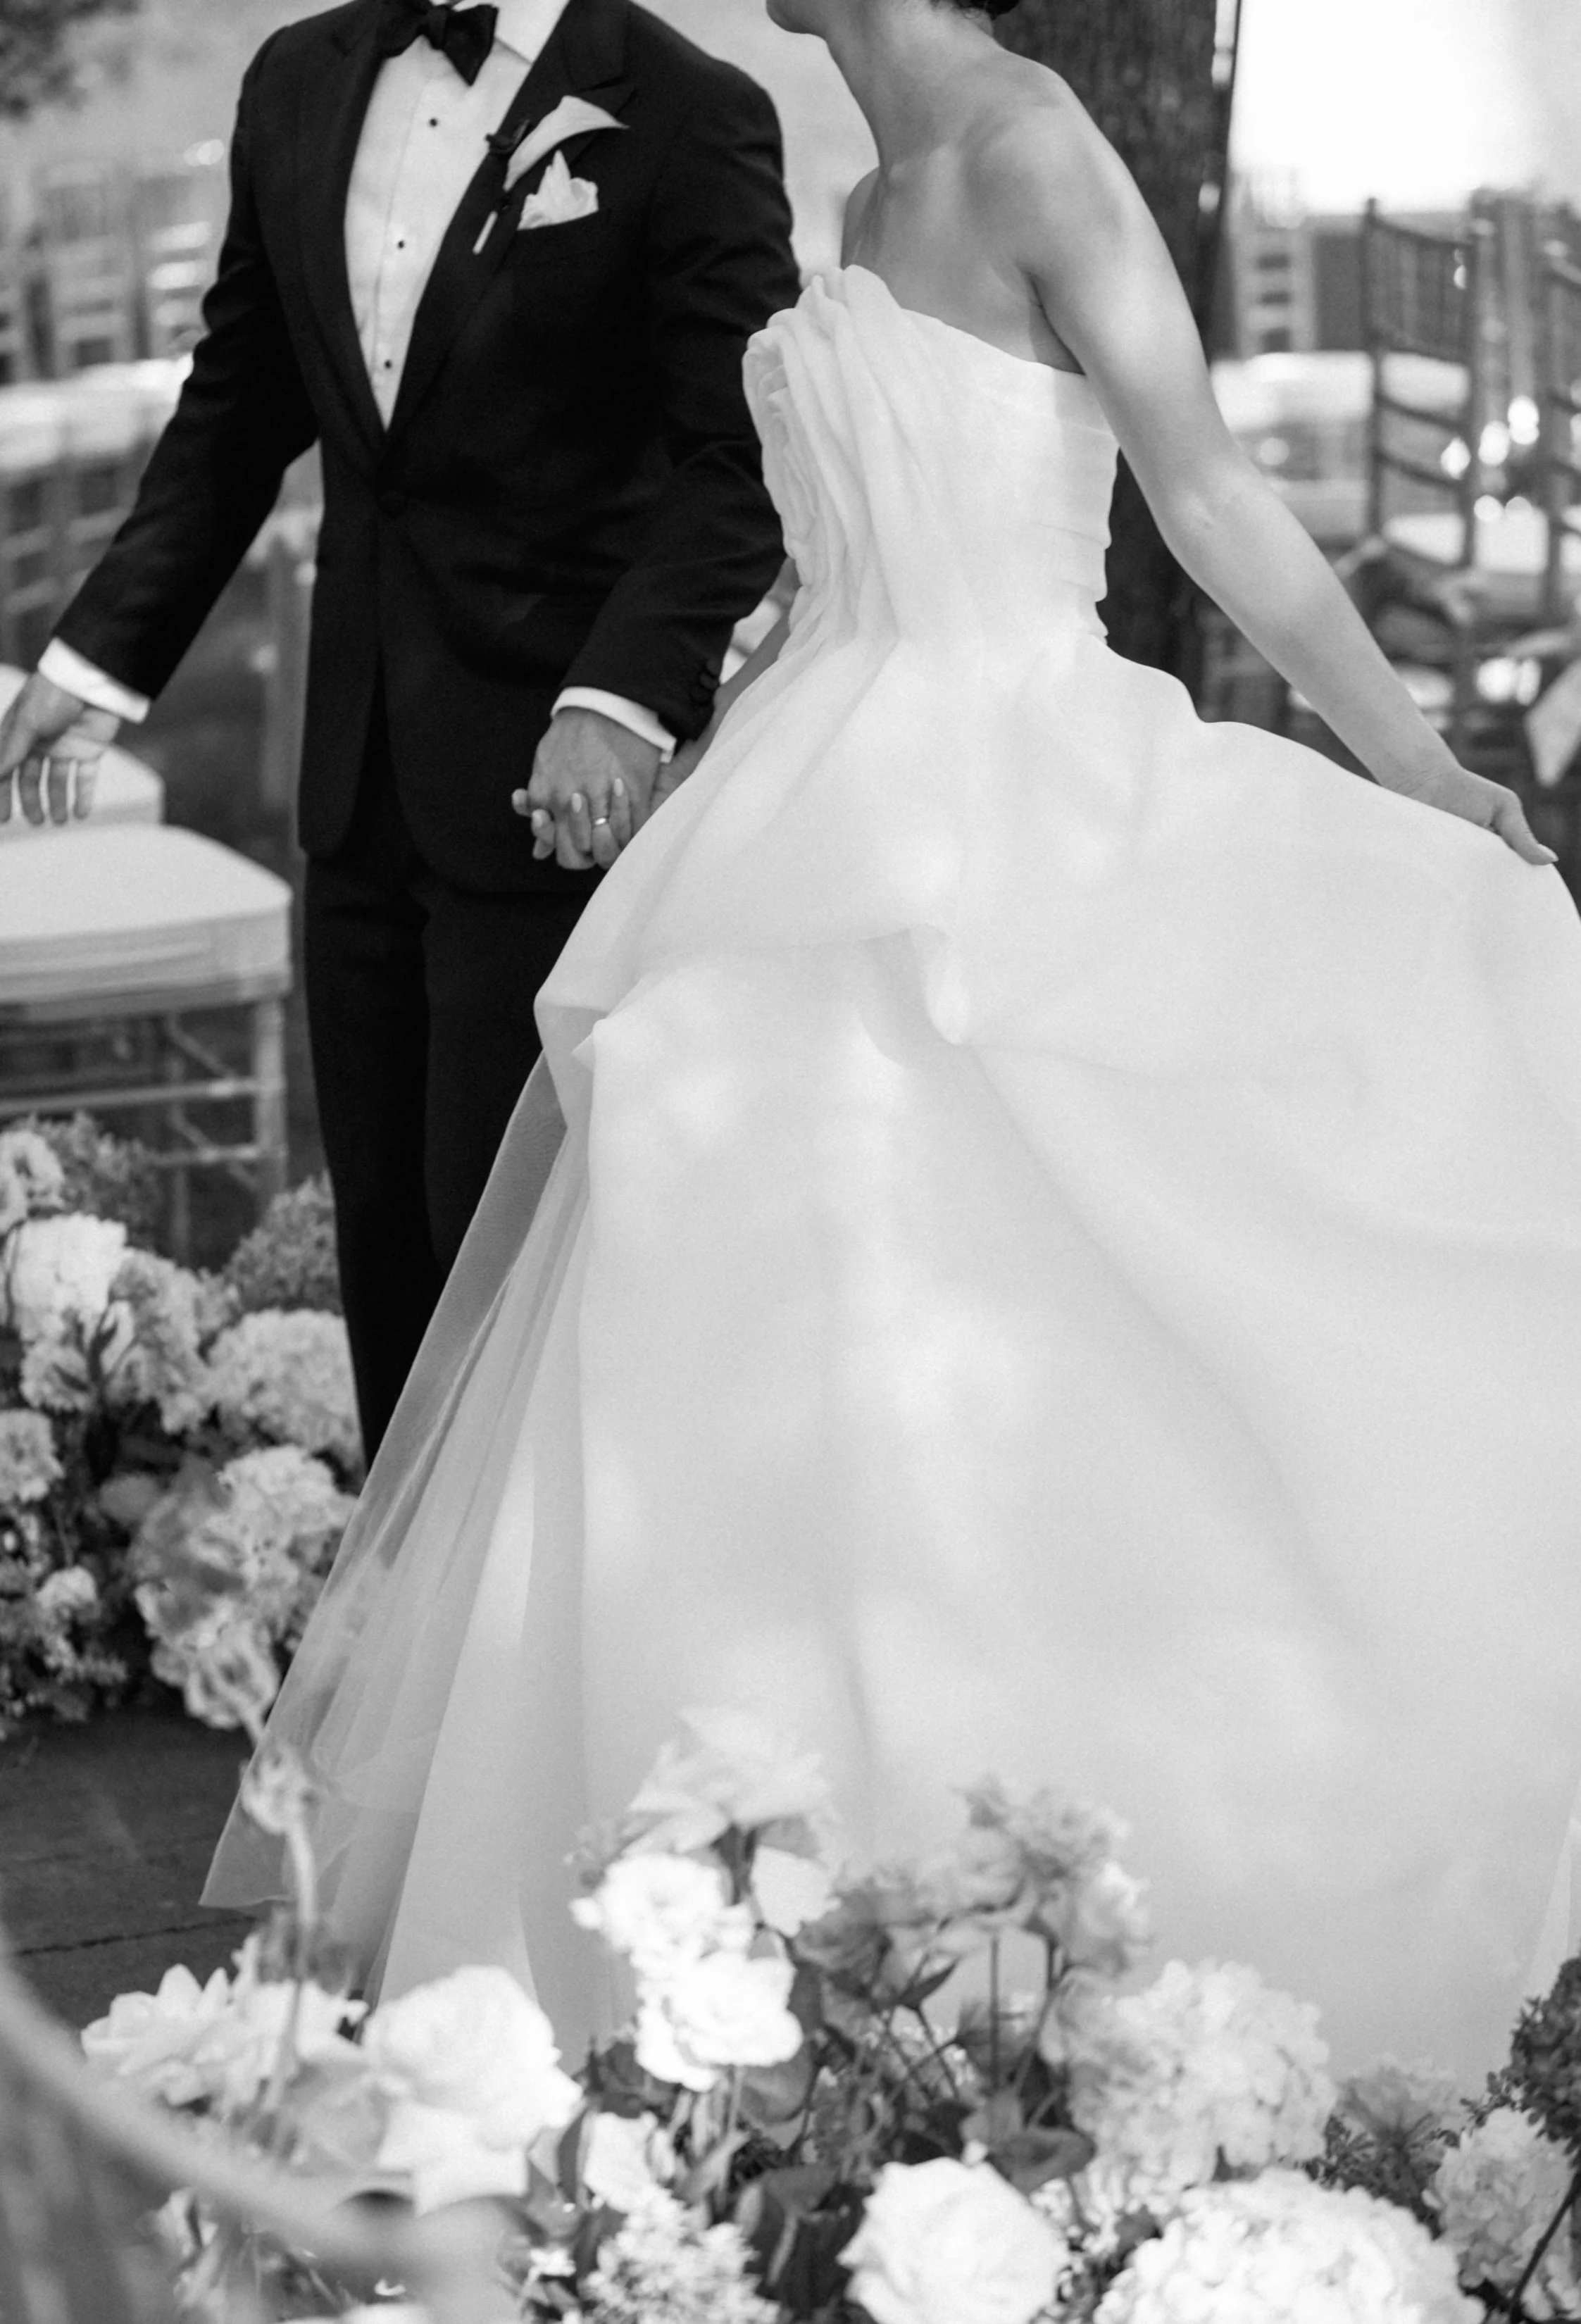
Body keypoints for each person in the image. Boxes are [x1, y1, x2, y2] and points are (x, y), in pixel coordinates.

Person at [209, 0, 1581, 2079]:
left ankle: (1107, 1885)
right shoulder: (847, 184)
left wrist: (1403, 751)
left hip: (1005, 799)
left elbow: (1198, 493)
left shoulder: (1034, 151)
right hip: (812, 790)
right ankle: (799, 1925)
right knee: (763, 1331)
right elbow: (834, 542)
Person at [0, 0, 799, 1458]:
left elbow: (737, 453)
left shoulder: (686, 112)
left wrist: (619, 698)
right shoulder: (297, 80)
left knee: (503, 1263)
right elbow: (242, 397)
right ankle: (405, 1657)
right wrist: (97, 656)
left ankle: (529, 1646)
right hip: (355, 769)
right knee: (387, 1247)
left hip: (545, 786)